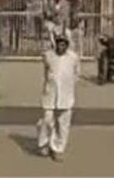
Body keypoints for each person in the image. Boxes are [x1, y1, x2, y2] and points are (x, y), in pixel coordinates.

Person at [37, 33, 80, 161]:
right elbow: (46, 71)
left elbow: (77, 74)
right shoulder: (48, 56)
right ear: (55, 44)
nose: (61, 46)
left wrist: (68, 84)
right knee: (47, 119)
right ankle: (44, 144)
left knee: (63, 124)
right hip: (50, 93)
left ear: (67, 45)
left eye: (63, 44)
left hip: (66, 95)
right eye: (59, 44)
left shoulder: (73, 57)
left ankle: (57, 148)